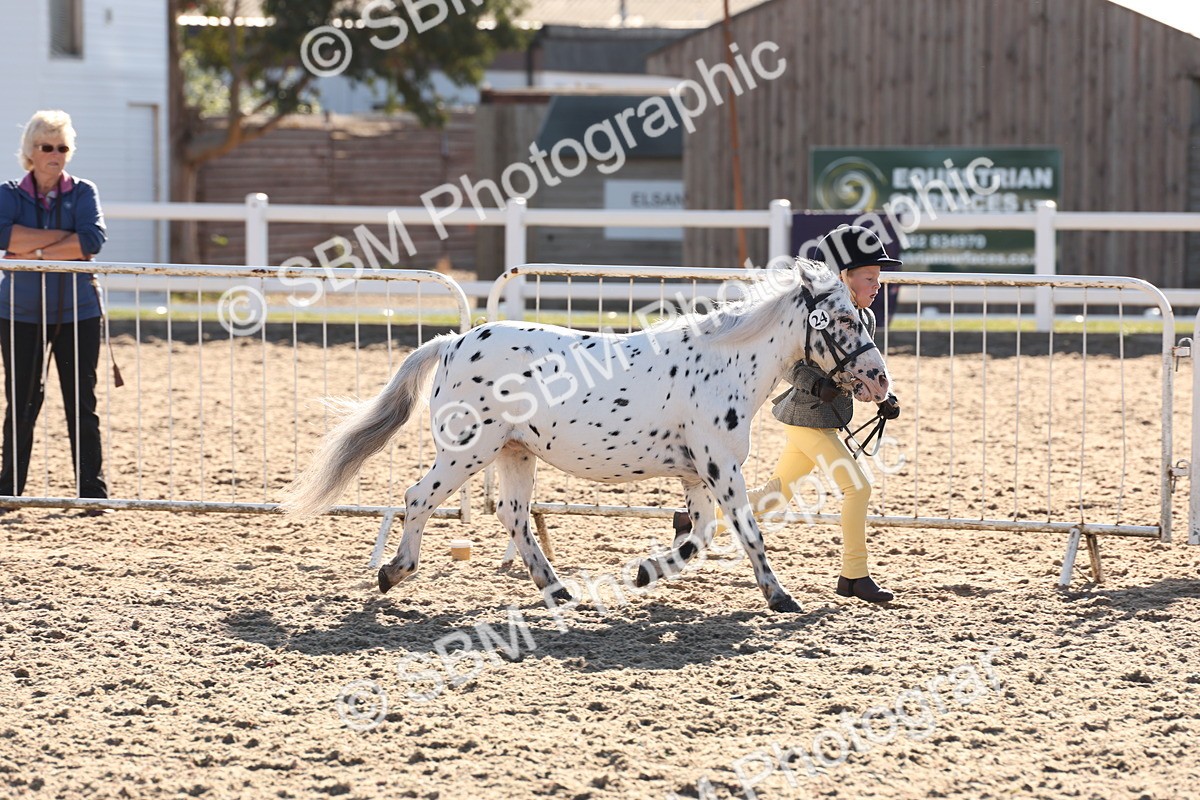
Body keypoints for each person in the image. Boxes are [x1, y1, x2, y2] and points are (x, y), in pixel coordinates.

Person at [672, 224, 901, 603]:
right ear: (843, 277)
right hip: (807, 418)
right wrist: (816, 385)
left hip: (826, 420)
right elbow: (788, 363)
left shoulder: (865, 320)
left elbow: (860, 371)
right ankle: (854, 575)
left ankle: (695, 518)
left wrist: (882, 398)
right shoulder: (815, 316)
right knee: (858, 488)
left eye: (878, 278)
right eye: (870, 277)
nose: (878, 285)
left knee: (775, 496)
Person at [0, 110, 109, 514]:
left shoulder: (84, 191)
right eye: (47, 146)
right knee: (22, 402)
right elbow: (2, 234)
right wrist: (64, 242)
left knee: (81, 401)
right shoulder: (8, 192)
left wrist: (34, 249)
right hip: (19, 313)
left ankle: (92, 494)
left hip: (77, 311)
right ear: (31, 150)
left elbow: (93, 240)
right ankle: (9, 491)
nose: (55, 154)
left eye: (62, 147)